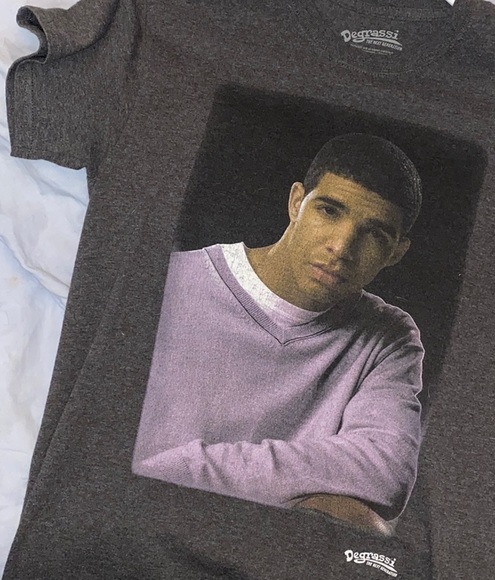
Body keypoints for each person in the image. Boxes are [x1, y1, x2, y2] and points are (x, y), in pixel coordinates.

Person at [132, 133, 424, 535]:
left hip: (258, 544)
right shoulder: (169, 280)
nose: (341, 247)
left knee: (363, 524)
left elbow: (384, 470)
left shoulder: (388, 338)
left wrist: (167, 470)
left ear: (396, 253)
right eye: (329, 211)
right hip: (139, 523)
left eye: (374, 234)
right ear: (296, 202)